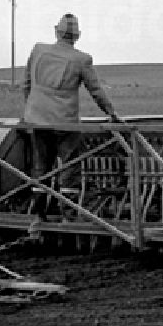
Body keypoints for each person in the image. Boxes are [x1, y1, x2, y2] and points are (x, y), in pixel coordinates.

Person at [21, 13, 121, 204]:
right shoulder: (82, 59)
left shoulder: (38, 50)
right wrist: (111, 113)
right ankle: (67, 212)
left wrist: (31, 111)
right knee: (70, 165)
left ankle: (40, 212)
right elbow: (96, 91)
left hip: (36, 120)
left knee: (40, 167)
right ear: (77, 36)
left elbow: (25, 84)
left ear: (56, 32)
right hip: (65, 123)